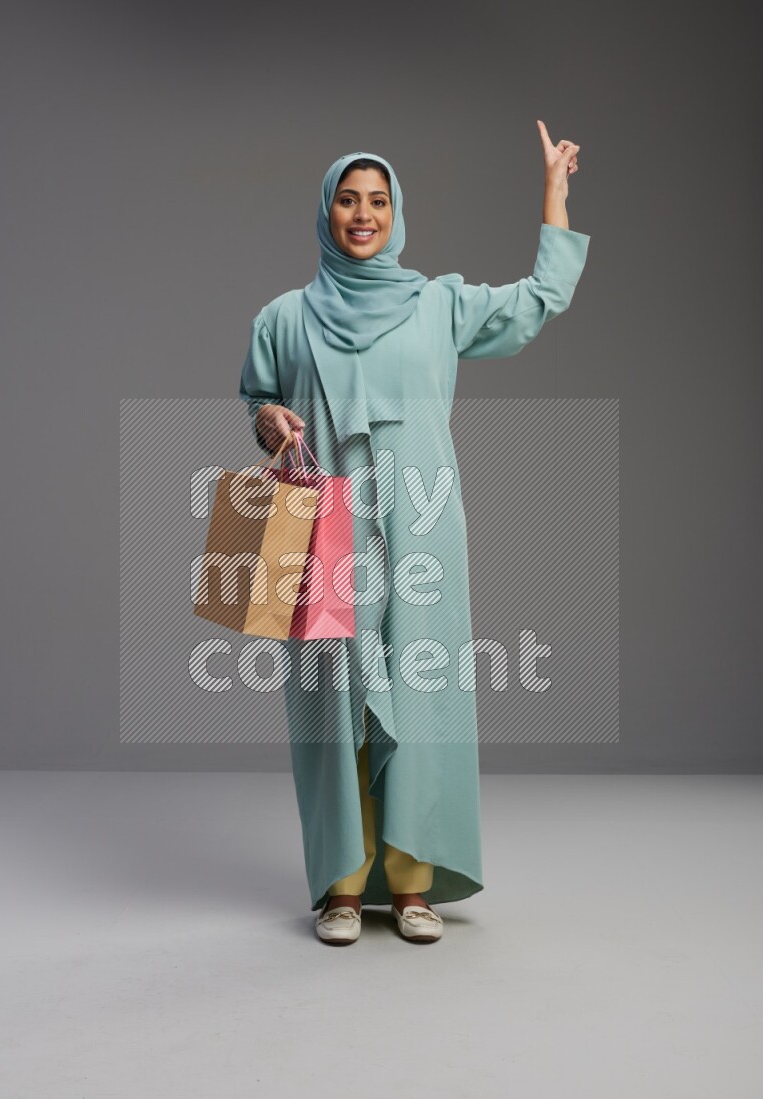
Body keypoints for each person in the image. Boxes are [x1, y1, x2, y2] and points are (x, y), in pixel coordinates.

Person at [239, 124, 589, 945]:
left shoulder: (440, 303)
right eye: (348, 200)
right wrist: (268, 420)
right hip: (322, 535)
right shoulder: (285, 318)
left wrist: (554, 196)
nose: (363, 214)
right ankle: (341, 887)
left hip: (422, 530)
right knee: (333, 703)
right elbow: (257, 399)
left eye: (378, 201)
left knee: (422, 695)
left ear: (397, 213)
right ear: (325, 212)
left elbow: (538, 300)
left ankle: (412, 880)